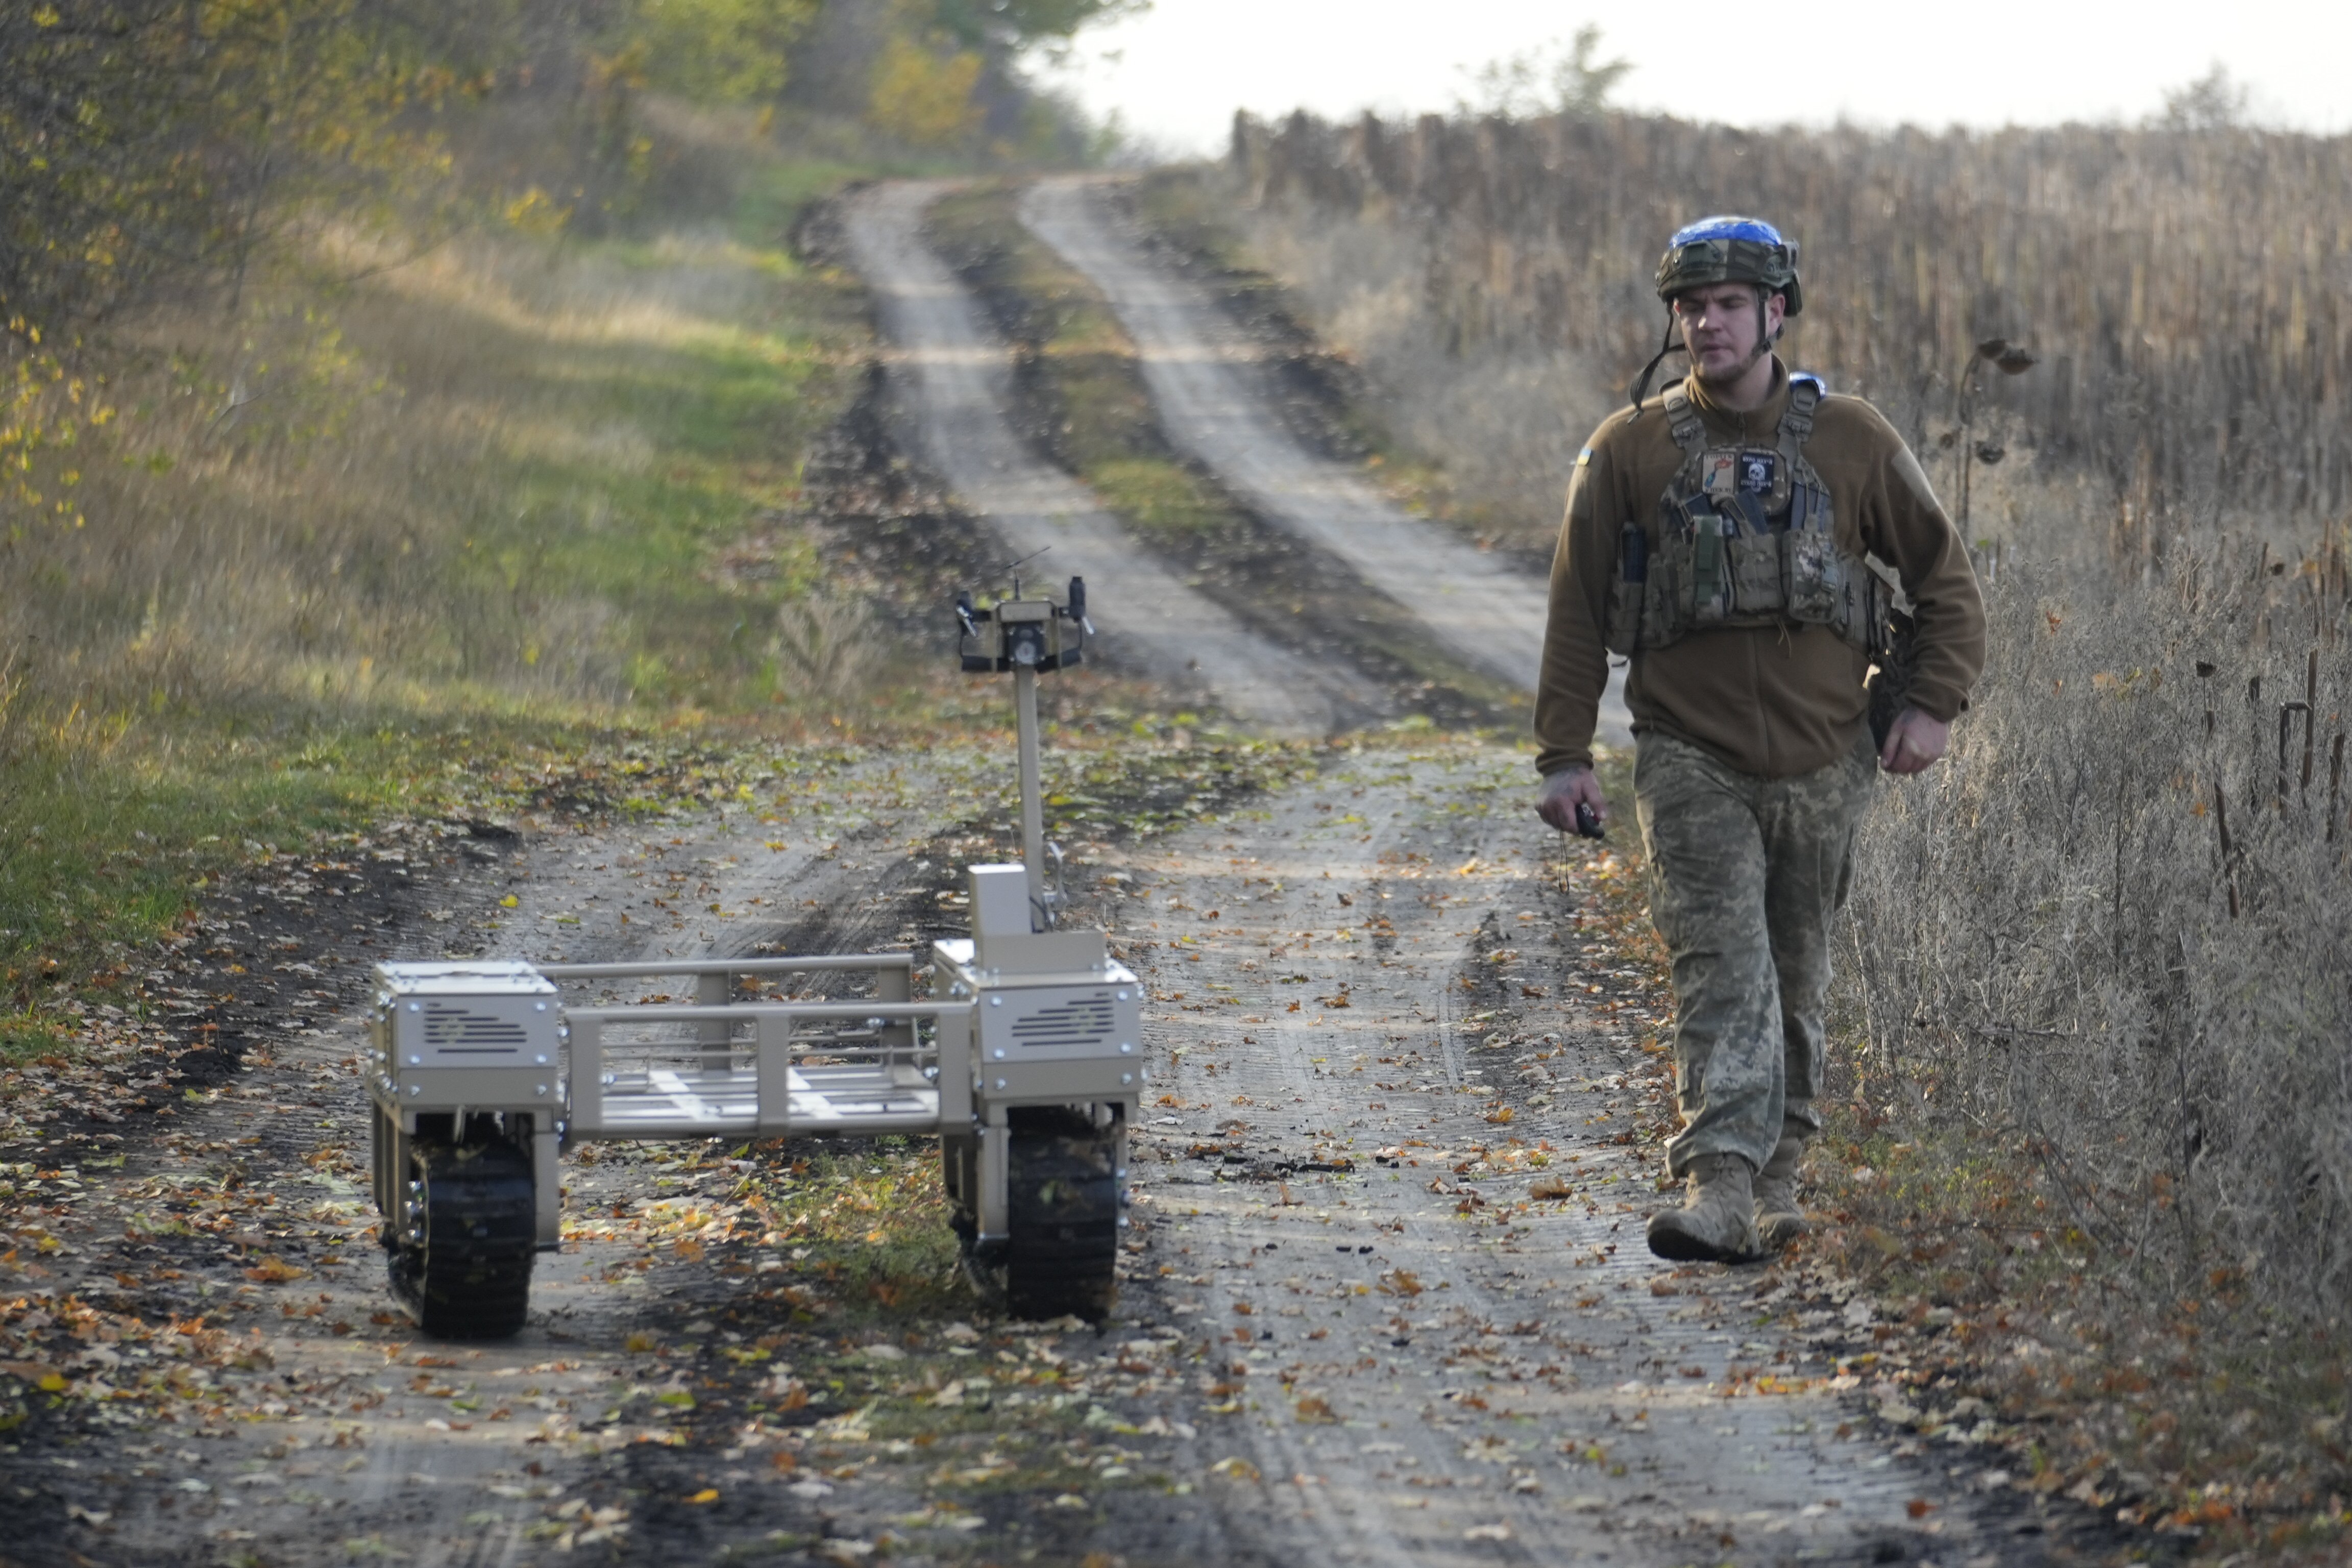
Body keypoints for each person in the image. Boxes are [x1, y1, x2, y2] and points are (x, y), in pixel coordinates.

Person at [1532, 216, 1987, 1262]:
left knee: (1796, 969)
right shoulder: (1628, 450)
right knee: (1720, 962)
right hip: (1689, 753)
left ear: (1776, 311)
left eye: (1729, 303)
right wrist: (1563, 756)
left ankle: (1780, 1176)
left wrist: (1932, 705)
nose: (1706, 322)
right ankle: (1718, 1183)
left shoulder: (1856, 440)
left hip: (1829, 755)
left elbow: (1946, 582)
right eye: (1691, 306)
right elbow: (1574, 610)